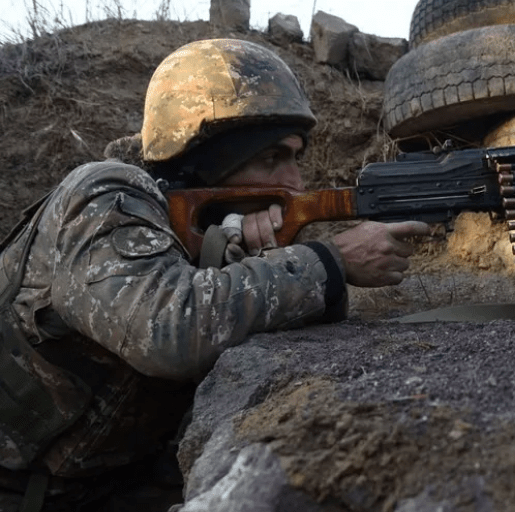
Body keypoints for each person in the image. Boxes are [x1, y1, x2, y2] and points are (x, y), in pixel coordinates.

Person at [0, 38, 430, 510]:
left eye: (295, 158)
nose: (296, 182)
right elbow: (168, 329)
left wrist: (243, 260)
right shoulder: (104, 195)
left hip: (117, 478)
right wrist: (331, 261)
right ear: (205, 160)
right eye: (271, 158)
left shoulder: (193, 227)